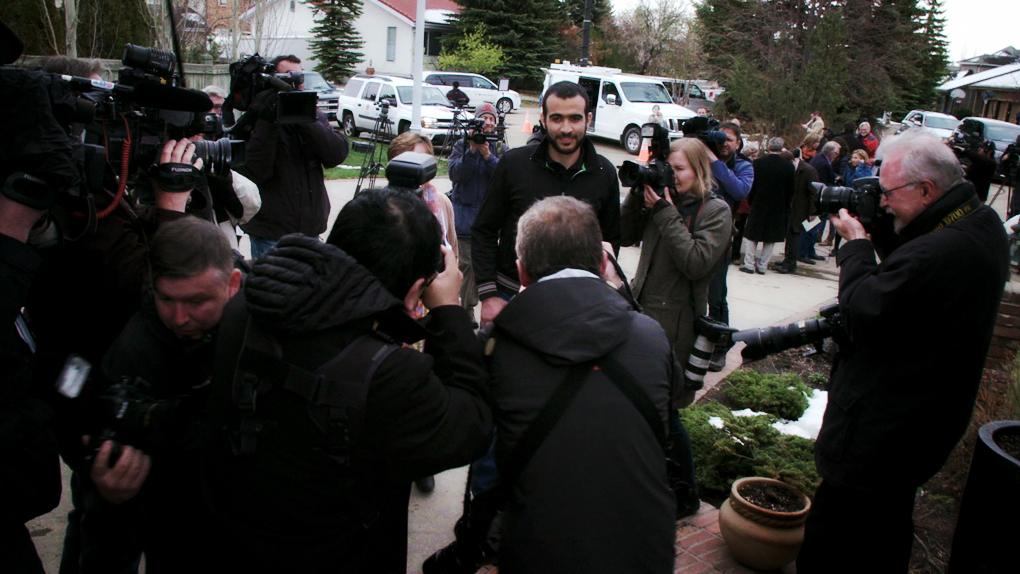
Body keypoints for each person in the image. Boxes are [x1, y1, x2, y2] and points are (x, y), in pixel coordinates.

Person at [201, 188, 492, 574]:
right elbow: (470, 424)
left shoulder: (246, 307)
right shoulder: (389, 374)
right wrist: (450, 312)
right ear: (412, 293)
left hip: (233, 542)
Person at [796, 128, 1010, 573]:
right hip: (919, 429)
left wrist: (855, 246)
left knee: (837, 547)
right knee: (884, 535)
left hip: (881, 438)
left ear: (927, 189)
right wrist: (885, 226)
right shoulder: (978, 222)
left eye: (889, 193)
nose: (883, 201)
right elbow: (912, 275)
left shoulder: (942, 251)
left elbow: (863, 309)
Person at [489, 196, 678, 574]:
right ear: (605, 262)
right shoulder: (652, 337)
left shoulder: (499, 349)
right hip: (645, 551)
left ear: (521, 272)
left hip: (540, 551)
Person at [73, 217, 242, 574]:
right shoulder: (132, 349)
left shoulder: (265, 325)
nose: (179, 318)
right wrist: (107, 488)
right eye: (166, 299)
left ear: (233, 284)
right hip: (169, 518)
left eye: (196, 301)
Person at [472, 80, 621, 326]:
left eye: (575, 118)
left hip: (578, 304)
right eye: (557, 118)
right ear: (543, 119)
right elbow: (484, 230)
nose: (566, 128)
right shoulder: (513, 165)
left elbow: (610, 241)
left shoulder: (604, 173)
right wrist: (489, 296)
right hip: (510, 296)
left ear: (588, 119)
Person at [238, 55, 349, 259]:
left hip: (310, 231)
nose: (296, 83)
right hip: (271, 234)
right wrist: (269, 118)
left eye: (299, 77)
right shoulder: (259, 118)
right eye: (288, 78)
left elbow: (336, 154)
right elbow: (256, 171)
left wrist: (304, 119)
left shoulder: (312, 116)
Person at [448, 102, 507, 323]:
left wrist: (488, 155)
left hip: (489, 220)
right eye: (483, 118)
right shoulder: (461, 145)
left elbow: (503, 177)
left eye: (491, 119)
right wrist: (472, 151)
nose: (488, 122)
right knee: (467, 266)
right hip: (464, 219)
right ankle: (465, 309)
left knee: (486, 267)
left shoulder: (500, 147)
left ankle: (485, 309)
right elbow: (456, 175)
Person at [705, 122, 753, 329]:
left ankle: (720, 344)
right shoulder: (701, 160)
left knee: (716, 296)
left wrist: (714, 161)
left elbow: (739, 191)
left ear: (739, 144)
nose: (724, 144)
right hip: (694, 230)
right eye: (721, 139)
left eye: (730, 140)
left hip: (721, 237)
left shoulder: (744, 165)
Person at [386, 131, 458, 254]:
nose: (411, 169)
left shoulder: (442, 203)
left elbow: (453, 250)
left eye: (418, 161)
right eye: (404, 162)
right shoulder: (381, 206)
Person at [740, 138, 795, 274]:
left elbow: (752, 185)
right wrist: (786, 205)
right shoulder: (788, 167)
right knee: (771, 238)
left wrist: (751, 200)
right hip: (778, 206)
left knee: (753, 235)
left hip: (759, 203)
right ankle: (763, 266)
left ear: (769, 147)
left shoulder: (758, 163)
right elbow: (791, 189)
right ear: (782, 148)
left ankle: (749, 264)